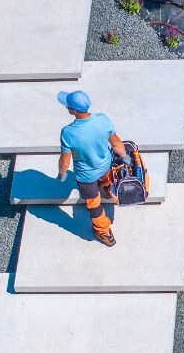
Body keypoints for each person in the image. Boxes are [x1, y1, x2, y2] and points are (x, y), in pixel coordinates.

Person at [56, 90, 130, 247]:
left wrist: (62, 175)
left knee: (94, 204)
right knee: (105, 179)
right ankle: (108, 191)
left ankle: (102, 231)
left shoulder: (68, 133)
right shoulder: (102, 120)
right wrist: (125, 157)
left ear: (73, 111)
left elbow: (65, 161)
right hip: (105, 166)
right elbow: (117, 144)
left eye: (67, 106)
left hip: (86, 176)